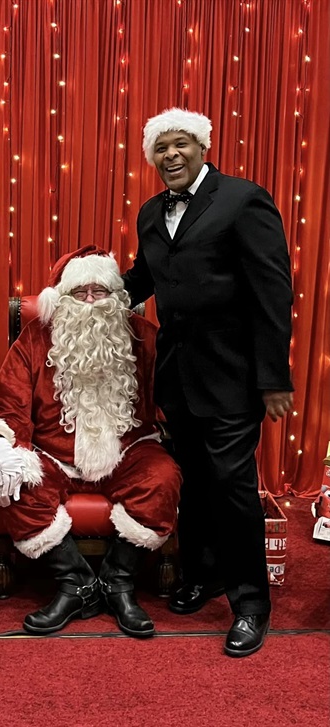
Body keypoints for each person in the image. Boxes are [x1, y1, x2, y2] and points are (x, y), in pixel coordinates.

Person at [124, 108, 294, 657]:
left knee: (234, 487)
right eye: (160, 149)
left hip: (234, 375)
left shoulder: (243, 199)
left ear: (201, 147)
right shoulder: (151, 213)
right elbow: (140, 281)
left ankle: (250, 605)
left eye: (180, 145)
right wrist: (79, 295)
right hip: (178, 376)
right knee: (193, 483)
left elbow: (273, 292)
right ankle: (203, 574)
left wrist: (273, 379)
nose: (170, 156)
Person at [0, 247, 181, 638]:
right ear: (61, 299)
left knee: (163, 477)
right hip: (54, 455)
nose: (89, 303)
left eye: (99, 292)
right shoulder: (35, 338)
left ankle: (118, 582)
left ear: (117, 296)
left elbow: (172, 398)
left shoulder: (145, 337)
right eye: (79, 294)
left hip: (129, 452)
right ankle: (76, 584)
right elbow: (10, 403)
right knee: (17, 483)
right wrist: (2, 449)